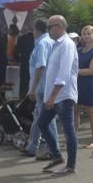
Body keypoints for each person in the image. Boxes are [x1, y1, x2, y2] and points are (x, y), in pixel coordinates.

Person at [37, 16, 79, 175]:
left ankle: (71, 166)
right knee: (42, 123)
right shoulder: (57, 45)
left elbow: (63, 74)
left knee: (68, 129)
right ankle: (56, 156)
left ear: (60, 26)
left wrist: (52, 97)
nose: (48, 30)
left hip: (63, 95)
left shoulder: (67, 45)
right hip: (54, 95)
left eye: (50, 27)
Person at [25, 18, 59, 158]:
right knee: (38, 116)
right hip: (46, 86)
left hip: (42, 87)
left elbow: (41, 67)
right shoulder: (48, 42)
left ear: (35, 30)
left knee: (47, 118)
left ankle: (53, 149)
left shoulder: (42, 44)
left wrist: (32, 89)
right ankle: (32, 146)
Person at [76, 25, 93, 149]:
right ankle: (73, 138)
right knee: (74, 111)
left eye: (89, 34)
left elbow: (92, 71)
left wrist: (75, 71)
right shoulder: (79, 49)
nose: (86, 36)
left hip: (87, 85)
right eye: (84, 33)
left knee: (90, 111)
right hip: (76, 84)